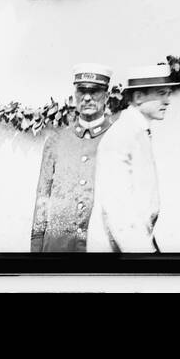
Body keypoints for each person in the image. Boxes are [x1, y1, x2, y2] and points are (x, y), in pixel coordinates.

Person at [87, 62, 180, 254]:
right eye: (161, 93)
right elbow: (119, 212)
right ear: (138, 97)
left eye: (168, 93)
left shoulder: (138, 131)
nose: (167, 101)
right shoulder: (122, 135)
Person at [30, 63, 117, 254]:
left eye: (94, 91)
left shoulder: (117, 139)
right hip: (57, 247)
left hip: (100, 248)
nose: (87, 97)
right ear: (74, 94)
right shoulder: (56, 141)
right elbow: (42, 199)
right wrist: (36, 251)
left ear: (107, 96)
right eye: (81, 91)